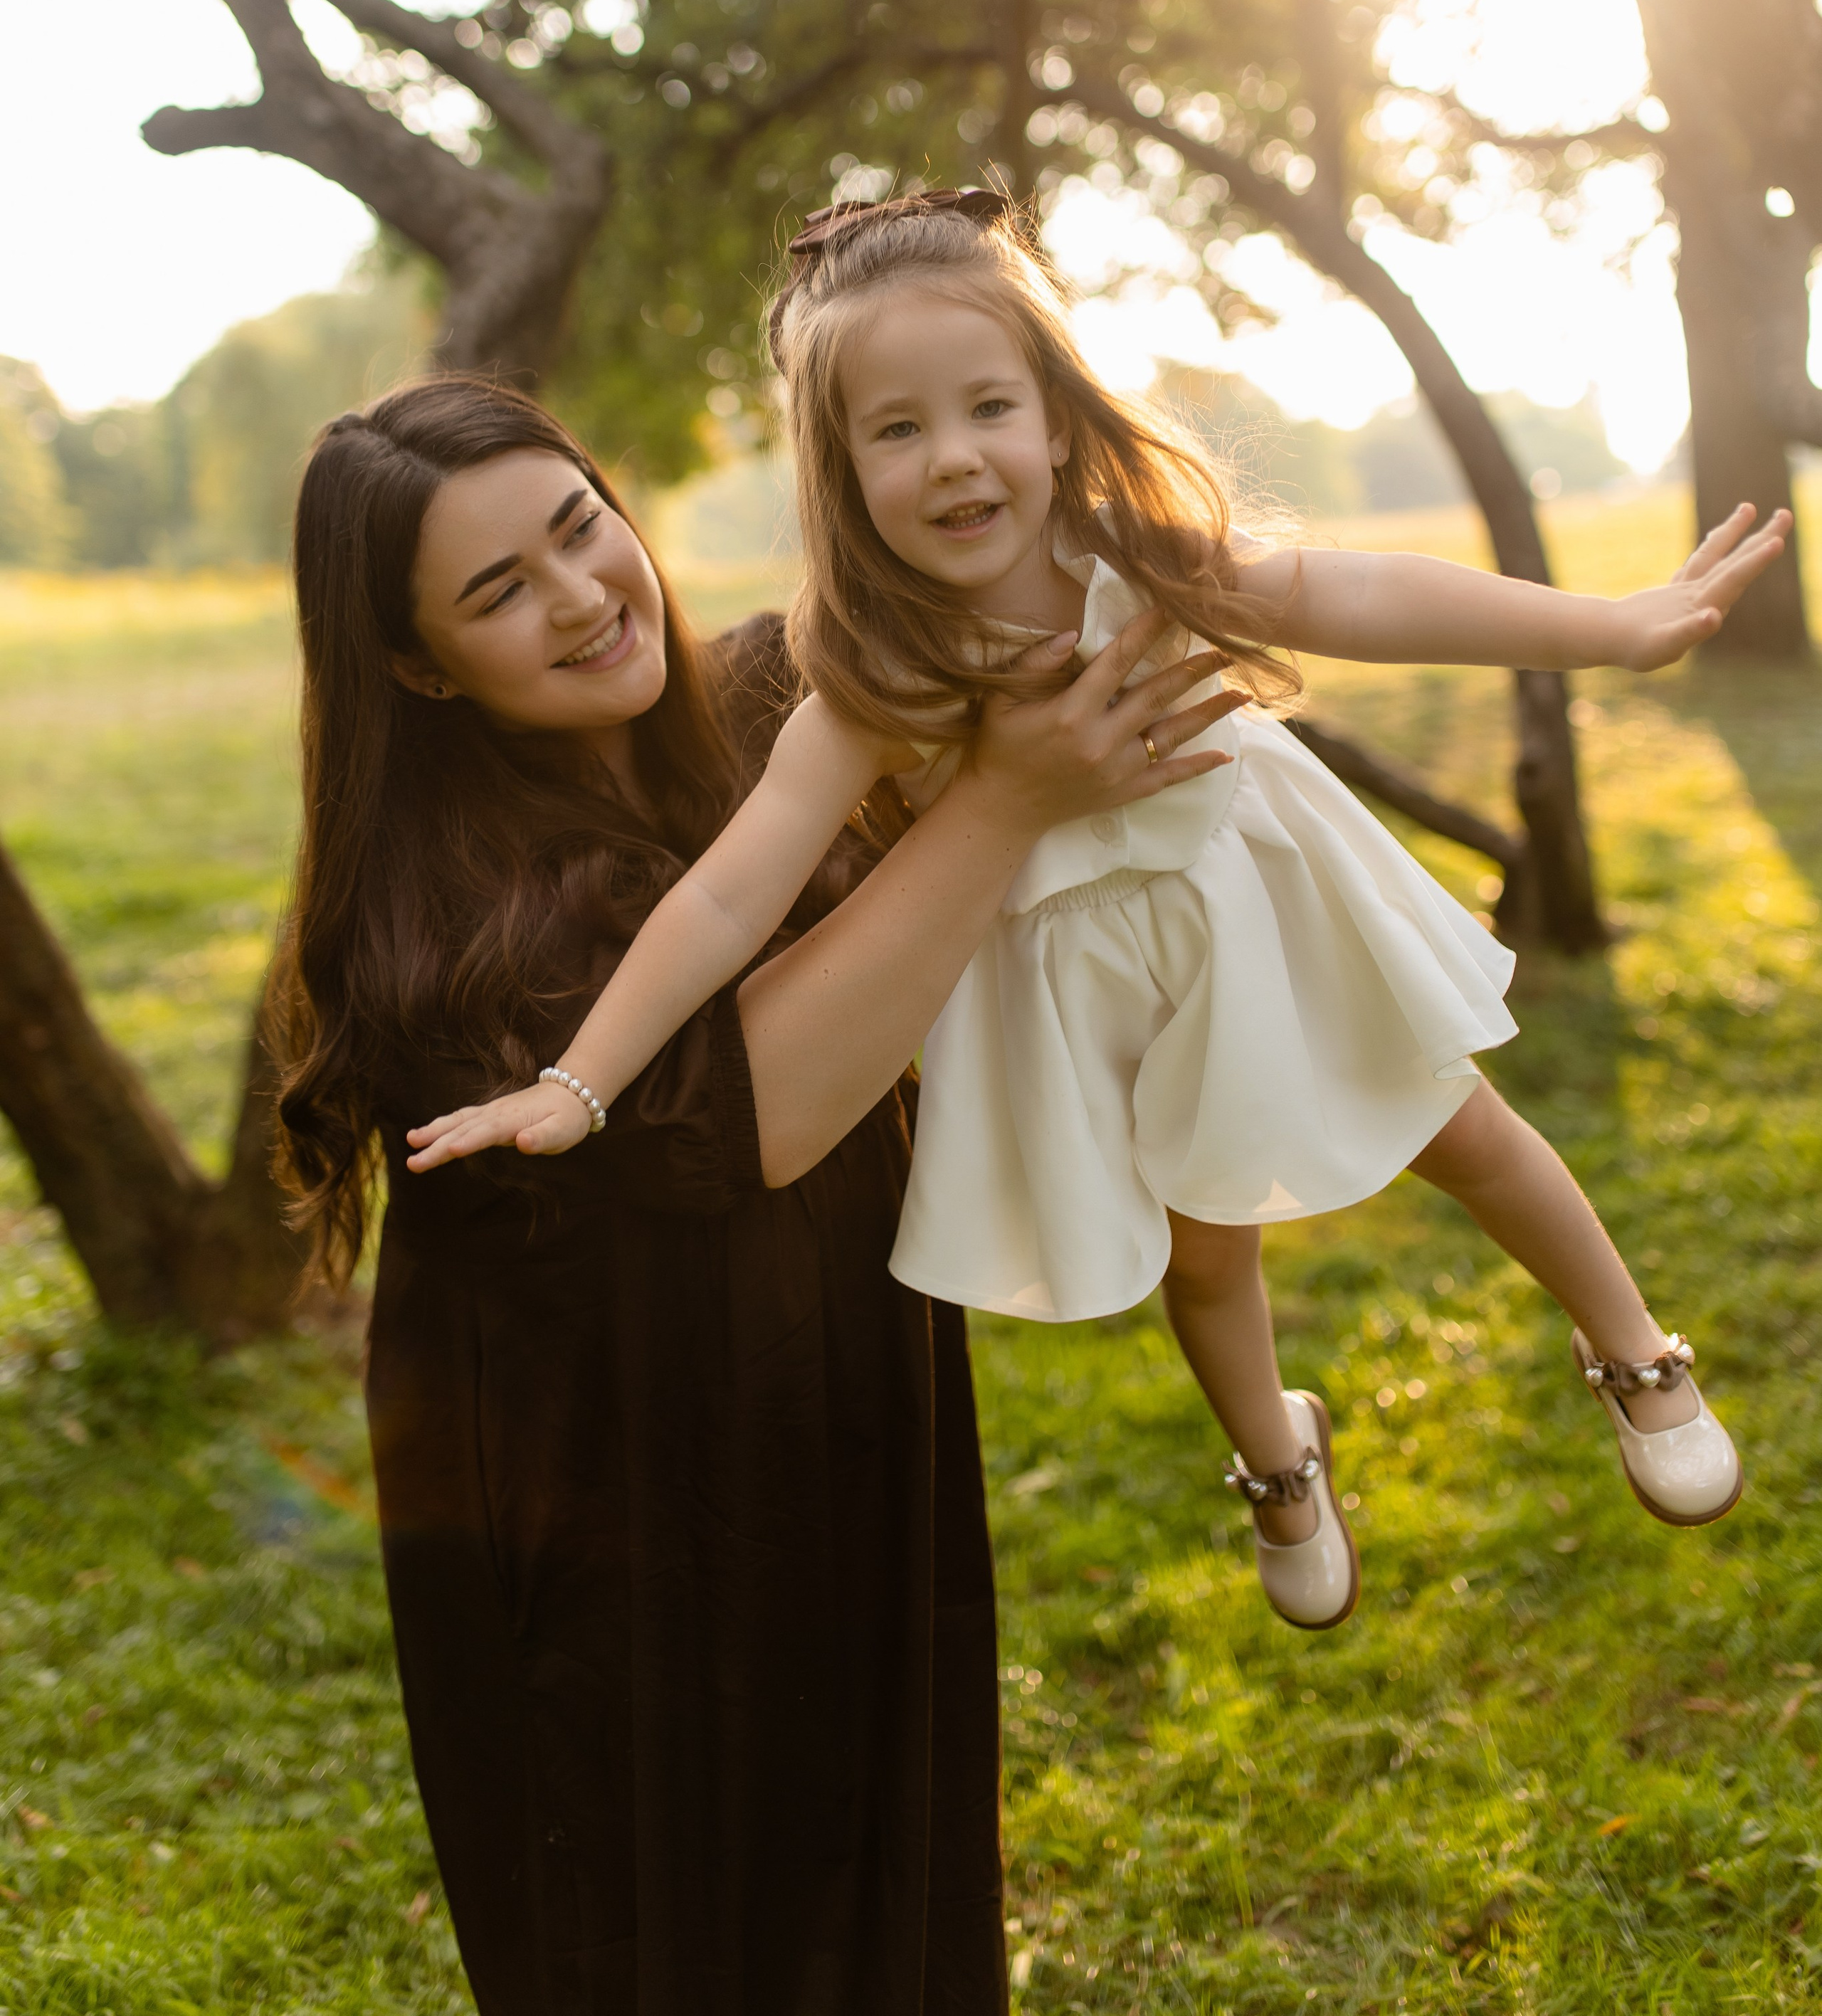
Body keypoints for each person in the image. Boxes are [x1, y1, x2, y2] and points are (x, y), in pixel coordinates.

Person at [414, 196, 1786, 1638]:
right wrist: (580, 1082)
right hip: (1105, 982)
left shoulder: (1136, 558)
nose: (951, 456)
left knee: (1469, 1135)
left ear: (1055, 419)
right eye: (894, 430)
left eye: (986, 406)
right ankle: (1277, 1460)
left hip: (1256, 902)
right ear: (838, 468)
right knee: (1207, 1261)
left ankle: (1633, 1354)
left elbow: (1355, 590)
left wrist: (1608, 626)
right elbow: (726, 894)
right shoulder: (868, 679)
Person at [276, 371, 1233, 2016]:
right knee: (685, 1930)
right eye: (500, 593)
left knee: (885, 1880)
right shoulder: (431, 923)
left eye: (581, 528)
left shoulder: (750, 716)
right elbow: (745, 1118)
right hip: (622, 1525)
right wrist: (1007, 802)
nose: (582, 598)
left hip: (836, 1409)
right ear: (417, 666)